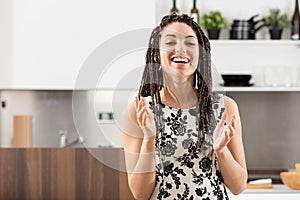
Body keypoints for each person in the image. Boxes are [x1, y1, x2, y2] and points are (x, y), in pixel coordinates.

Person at [122, 13, 247, 200]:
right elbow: (140, 194)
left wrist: (221, 150)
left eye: (189, 43)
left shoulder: (224, 107)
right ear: (156, 54)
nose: (180, 49)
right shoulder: (139, 110)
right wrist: (149, 138)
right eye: (171, 42)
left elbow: (238, 186)